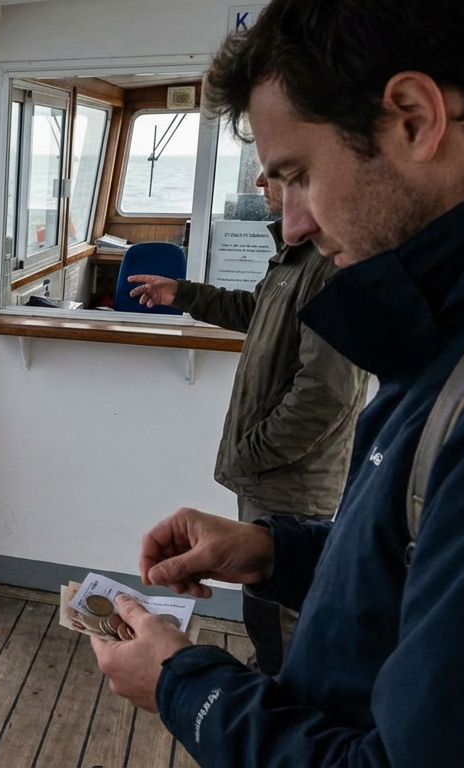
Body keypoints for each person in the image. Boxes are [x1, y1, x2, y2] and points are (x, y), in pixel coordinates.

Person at [91, 0, 464, 763]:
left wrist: (182, 685)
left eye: (298, 175)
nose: (292, 224)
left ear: (415, 118)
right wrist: (274, 552)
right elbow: (416, 573)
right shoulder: (455, 325)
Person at [126, 172, 368, 674]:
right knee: (263, 606)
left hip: (292, 481)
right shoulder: (295, 256)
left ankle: (282, 710)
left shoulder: (331, 264)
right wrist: (183, 293)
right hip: (266, 472)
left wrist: (250, 452)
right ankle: (270, 685)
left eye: (277, 167)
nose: (259, 178)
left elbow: (327, 395)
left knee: (286, 619)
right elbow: (256, 310)